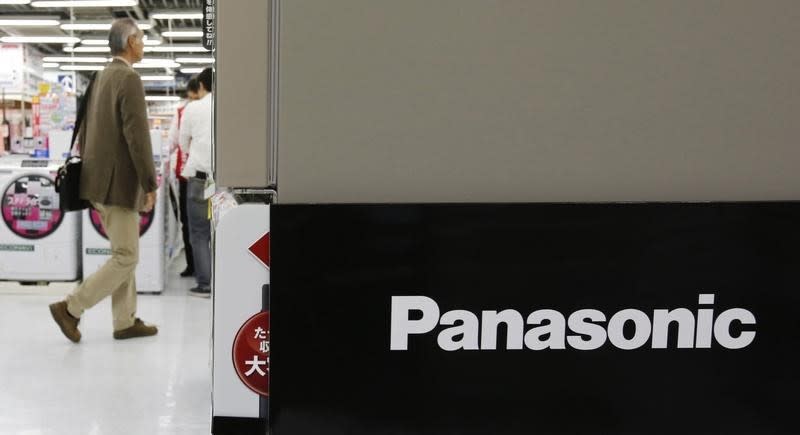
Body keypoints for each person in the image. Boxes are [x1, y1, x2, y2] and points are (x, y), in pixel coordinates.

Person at [49, 18, 158, 342]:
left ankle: (124, 321)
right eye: (140, 38)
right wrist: (149, 183)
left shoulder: (99, 77)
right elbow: (137, 137)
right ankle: (70, 308)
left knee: (123, 252)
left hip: (96, 181)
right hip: (118, 184)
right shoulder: (128, 79)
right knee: (127, 256)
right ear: (129, 43)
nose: (143, 44)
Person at [179, 68, 213, 296]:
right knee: (224, 232)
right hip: (225, 181)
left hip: (200, 178)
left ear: (200, 86)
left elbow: (182, 143)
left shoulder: (193, 108)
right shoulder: (231, 105)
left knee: (199, 233)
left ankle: (205, 284)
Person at [166, 78, 200, 277]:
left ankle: (192, 265)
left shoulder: (182, 111)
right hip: (208, 174)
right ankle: (207, 267)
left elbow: (173, 141)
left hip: (186, 173)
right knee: (206, 222)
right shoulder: (213, 108)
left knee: (188, 222)